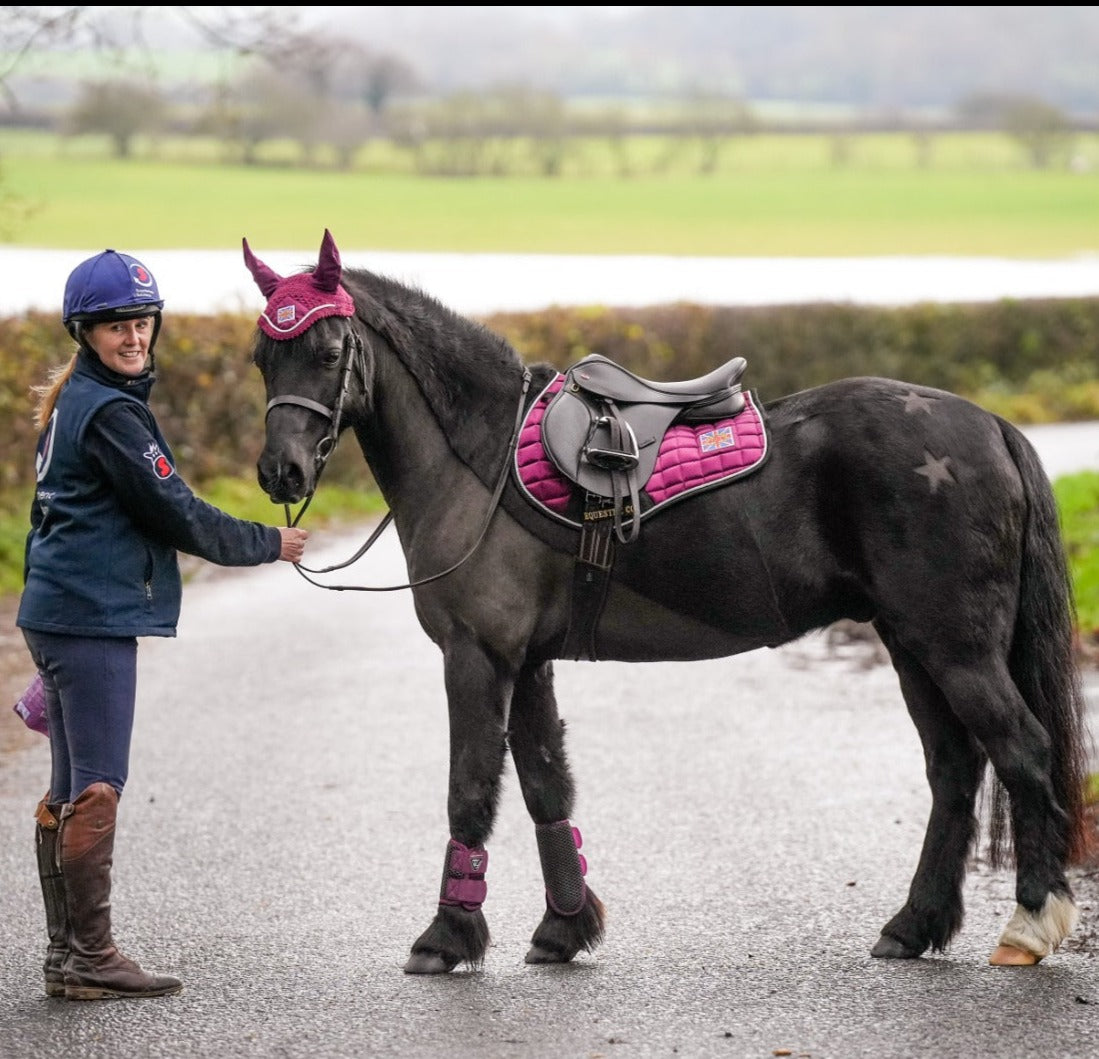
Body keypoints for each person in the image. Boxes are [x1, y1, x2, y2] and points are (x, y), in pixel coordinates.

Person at [17, 249, 309, 1001]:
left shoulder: (77, 401)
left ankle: (66, 957)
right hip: (87, 621)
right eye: (117, 325)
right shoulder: (112, 413)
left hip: (59, 614)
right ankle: (91, 955)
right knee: (100, 788)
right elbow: (176, 509)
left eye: (143, 322)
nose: (134, 337)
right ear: (85, 331)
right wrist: (267, 543)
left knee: (69, 794)